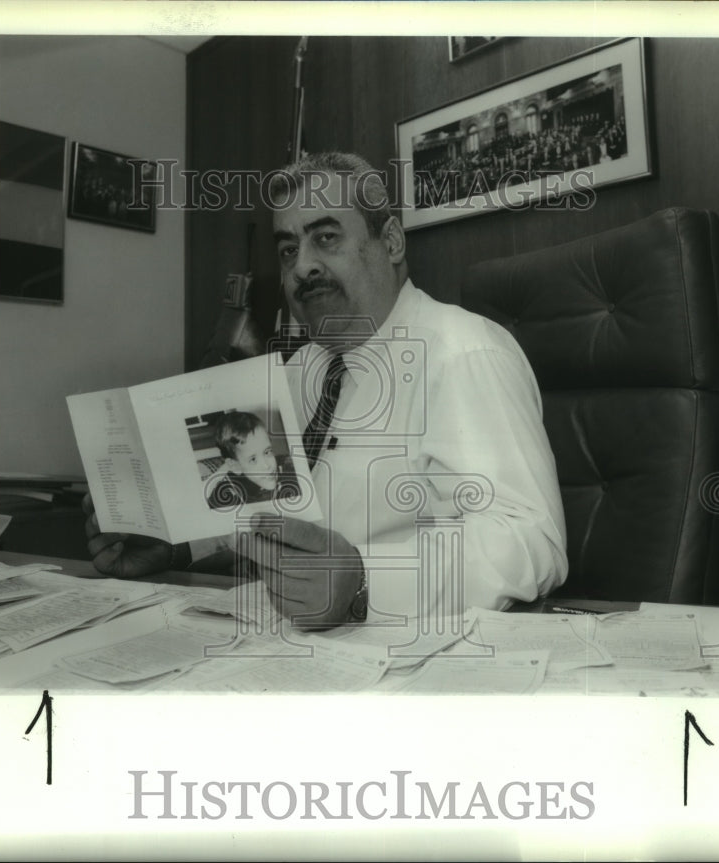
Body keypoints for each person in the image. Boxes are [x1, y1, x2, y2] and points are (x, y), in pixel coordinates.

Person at [84, 151, 568, 629]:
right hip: (285, 639)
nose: (301, 267)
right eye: (289, 249)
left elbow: (530, 540)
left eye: (326, 238)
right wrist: (176, 547)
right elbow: (269, 509)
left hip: (408, 649)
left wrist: (364, 582)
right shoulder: (304, 369)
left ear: (393, 241)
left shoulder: (465, 353)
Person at [205, 411, 299, 508]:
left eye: (267, 452)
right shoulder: (223, 497)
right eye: (253, 459)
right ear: (235, 466)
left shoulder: (290, 471)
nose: (267, 466)